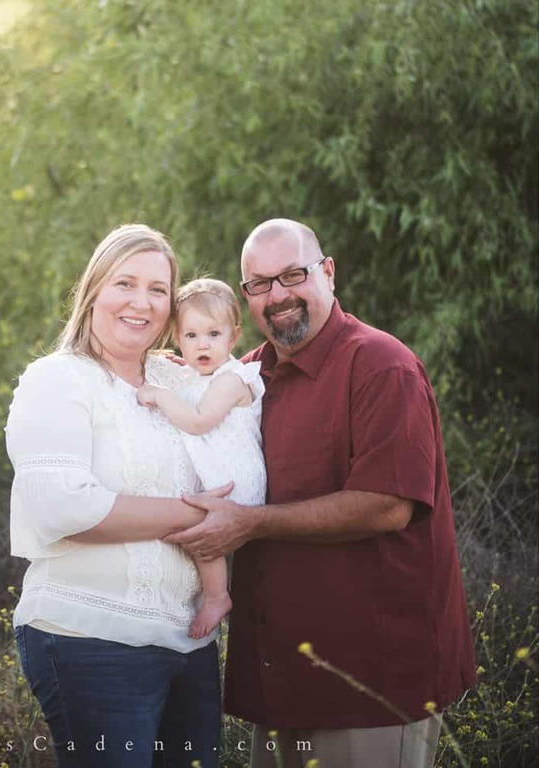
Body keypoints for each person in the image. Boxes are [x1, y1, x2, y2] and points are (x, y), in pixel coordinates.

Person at [166, 219, 477, 768]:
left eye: (293, 275)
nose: (278, 295)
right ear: (245, 300)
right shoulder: (246, 376)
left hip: (370, 680)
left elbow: (386, 505)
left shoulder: (383, 367)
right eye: (261, 284)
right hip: (281, 674)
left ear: (328, 272)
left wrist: (252, 522)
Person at [5, 224, 229, 768]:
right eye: (124, 283)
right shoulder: (58, 379)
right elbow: (62, 507)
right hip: (90, 639)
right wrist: (198, 516)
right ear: (93, 291)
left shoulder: (179, 384)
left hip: (189, 642)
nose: (141, 302)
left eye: (158, 289)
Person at [137, 278, 266, 639]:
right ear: (177, 337)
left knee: (199, 531)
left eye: (213, 334)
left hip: (235, 484)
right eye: (191, 336)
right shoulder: (199, 376)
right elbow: (189, 386)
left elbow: (198, 421)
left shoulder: (232, 379)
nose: (202, 344)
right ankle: (209, 594)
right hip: (217, 477)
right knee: (191, 525)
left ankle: (216, 596)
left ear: (234, 336)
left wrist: (160, 395)